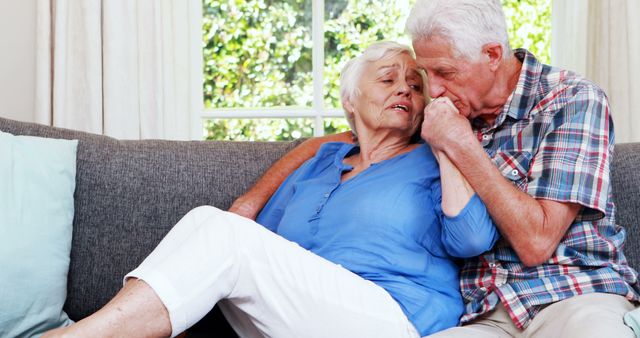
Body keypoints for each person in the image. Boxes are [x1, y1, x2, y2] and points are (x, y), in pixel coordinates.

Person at [231, 1, 640, 337]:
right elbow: (352, 137)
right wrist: (251, 201)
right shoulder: (443, 114)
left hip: (574, 295)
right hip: (482, 315)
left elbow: (536, 242)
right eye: (428, 75)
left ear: (492, 55)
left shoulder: (569, 100)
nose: (434, 89)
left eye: (443, 72)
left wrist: (459, 143)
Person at [44, 41, 498, 338]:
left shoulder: (430, 160)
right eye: (388, 79)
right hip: (299, 318)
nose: (405, 90)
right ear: (349, 100)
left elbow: (472, 238)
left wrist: (446, 142)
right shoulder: (320, 163)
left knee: (219, 230)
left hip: (392, 317)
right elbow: (260, 253)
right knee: (210, 224)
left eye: (416, 86)